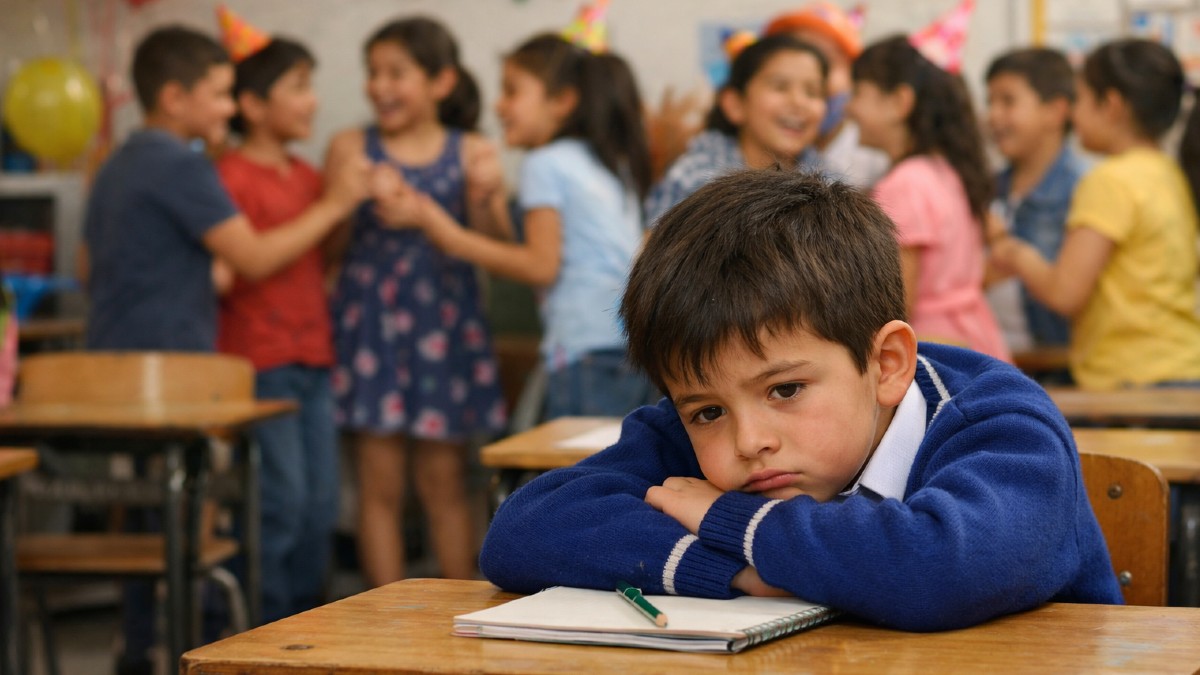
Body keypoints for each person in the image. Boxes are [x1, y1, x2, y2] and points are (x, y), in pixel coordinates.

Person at [479, 169, 1123, 632]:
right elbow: (522, 530)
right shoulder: (713, 413)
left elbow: (933, 567)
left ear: (886, 365)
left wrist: (732, 523)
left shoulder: (1000, 426)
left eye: (785, 390)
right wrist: (737, 571)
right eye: (706, 411)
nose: (747, 440)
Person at [81, 25, 368, 673]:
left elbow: (85, 264)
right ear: (174, 98)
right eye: (217, 95)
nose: (228, 109)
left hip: (105, 370)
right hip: (175, 375)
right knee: (208, 520)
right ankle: (236, 645)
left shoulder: (116, 164)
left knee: (145, 521)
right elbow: (251, 256)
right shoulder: (183, 162)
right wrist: (338, 203)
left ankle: (140, 644)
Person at [327, 16, 509, 587]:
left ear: (441, 82)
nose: (379, 86)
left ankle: (453, 619)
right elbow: (327, 249)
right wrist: (344, 194)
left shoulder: (473, 150)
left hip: (446, 332)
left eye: (396, 73)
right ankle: (383, 621)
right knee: (378, 487)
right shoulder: (351, 148)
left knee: (445, 484)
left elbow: (497, 247)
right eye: (373, 72)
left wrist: (482, 194)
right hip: (371, 334)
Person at [412, 33, 655, 419]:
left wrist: (446, 234)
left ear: (562, 102)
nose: (499, 104)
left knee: (585, 474)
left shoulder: (545, 162)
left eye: (512, 91)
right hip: (627, 342)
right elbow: (531, 250)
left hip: (586, 348)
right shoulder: (604, 160)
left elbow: (539, 265)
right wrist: (488, 202)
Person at [214, 36, 343, 623]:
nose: (311, 102)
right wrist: (337, 202)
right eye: (297, 88)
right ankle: (256, 630)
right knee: (279, 505)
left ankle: (302, 628)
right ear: (253, 105)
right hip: (258, 361)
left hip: (313, 356)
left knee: (320, 506)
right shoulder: (230, 175)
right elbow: (251, 260)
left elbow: (326, 255)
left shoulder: (308, 176)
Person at [992, 38, 1200, 390]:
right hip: (1182, 367)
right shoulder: (1168, 171)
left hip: (1132, 380)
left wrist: (1013, 251)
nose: (1074, 113)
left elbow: (1064, 293)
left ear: (1112, 106)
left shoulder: (1108, 180)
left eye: (1082, 99)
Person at [847, 35, 1009, 362]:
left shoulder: (904, 184)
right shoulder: (948, 171)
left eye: (858, 93)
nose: (849, 107)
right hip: (974, 333)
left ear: (899, 102)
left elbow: (897, 300)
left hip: (934, 345)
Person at [645, 34, 827, 225]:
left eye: (812, 92)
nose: (798, 102)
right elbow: (654, 250)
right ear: (735, 104)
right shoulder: (695, 179)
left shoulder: (830, 180)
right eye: (780, 87)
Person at [983, 47, 1084, 357]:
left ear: (1055, 111)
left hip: (1055, 364)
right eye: (990, 102)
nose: (993, 115)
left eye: (1008, 101)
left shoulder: (1081, 190)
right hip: (996, 356)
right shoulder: (989, 187)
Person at [764, 1, 889, 187]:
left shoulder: (873, 157)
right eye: (781, 84)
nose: (798, 99)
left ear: (853, 77)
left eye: (825, 64)